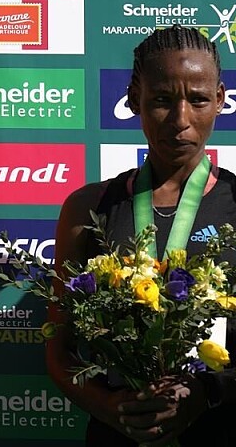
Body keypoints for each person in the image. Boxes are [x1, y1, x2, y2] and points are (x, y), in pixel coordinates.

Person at [49, 26, 236, 446]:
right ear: (134, 99)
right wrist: (114, 408)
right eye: (162, 100)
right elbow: (60, 352)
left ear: (221, 99)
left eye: (198, 100)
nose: (181, 120)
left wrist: (208, 393)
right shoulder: (88, 208)